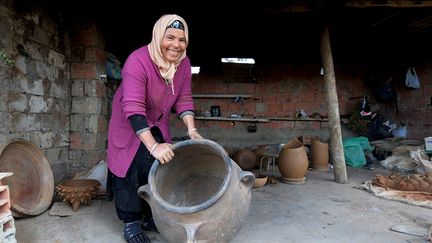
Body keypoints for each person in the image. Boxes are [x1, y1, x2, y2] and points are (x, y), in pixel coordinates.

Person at [106, 14, 203, 243]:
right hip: (130, 121)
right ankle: (131, 223)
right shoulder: (138, 61)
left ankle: (151, 217)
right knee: (130, 169)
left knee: (158, 167)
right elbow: (134, 108)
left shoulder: (183, 64)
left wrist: (191, 130)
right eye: (170, 37)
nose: (176, 45)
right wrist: (153, 146)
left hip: (157, 120)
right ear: (158, 36)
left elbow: (184, 98)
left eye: (182, 40)